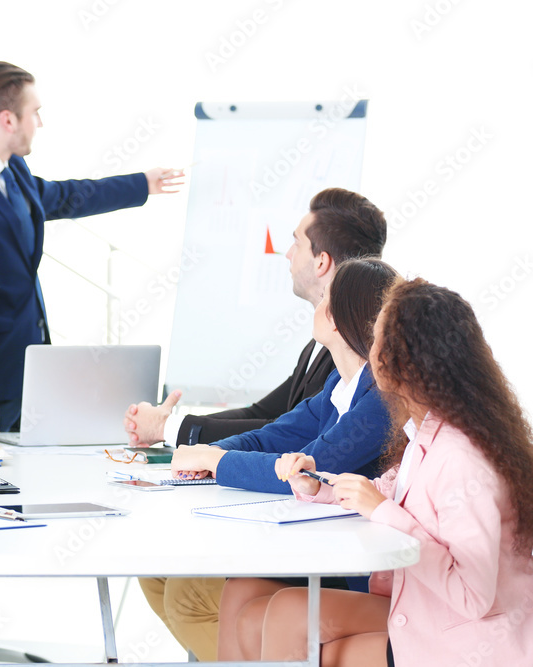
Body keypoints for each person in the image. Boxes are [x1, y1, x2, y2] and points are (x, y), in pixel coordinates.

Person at [0, 60, 179, 661]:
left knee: (29, 499)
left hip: (26, 375)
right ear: (6, 119)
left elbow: (63, 197)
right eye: (34, 114)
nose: (39, 123)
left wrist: (142, 184)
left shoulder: (14, 171)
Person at [225, 279, 533, 665]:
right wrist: (317, 485)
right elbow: (386, 494)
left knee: (295, 621)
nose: (370, 351)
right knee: (273, 612)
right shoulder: (428, 431)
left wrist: (383, 513)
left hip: (469, 640)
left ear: (405, 360)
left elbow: (471, 594)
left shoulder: (461, 459)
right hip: (428, 611)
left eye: (377, 338)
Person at [137, 189, 388, 660]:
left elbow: (312, 466)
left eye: (294, 241)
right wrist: (203, 458)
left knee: (214, 593)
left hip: (350, 560)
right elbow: (274, 432)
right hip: (319, 538)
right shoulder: (339, 381)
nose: (285, 252)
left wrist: (217, 460)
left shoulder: (378, 396)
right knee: (202, 583)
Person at [125, 187, 388, 448]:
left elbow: (288, 433)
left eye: (296, 243)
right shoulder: (318, 344)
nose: (287, 253)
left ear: (321, 262)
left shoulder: (351, 347)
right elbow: (262, 414)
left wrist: (166, 427)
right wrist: (170, 424)